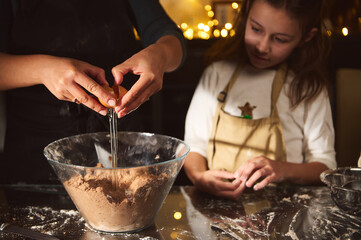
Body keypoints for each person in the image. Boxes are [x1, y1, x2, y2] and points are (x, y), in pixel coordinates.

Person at [0, 0, 186, 184]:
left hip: (123, 140)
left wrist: (160, 55)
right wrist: (42, 70)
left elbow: (169, 37)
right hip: (37, 153)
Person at [184, 0, 336, 200]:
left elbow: (325, 166)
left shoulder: (308, 88)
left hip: (284, 213)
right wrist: (199, 176)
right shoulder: (217, 73)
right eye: (256, 29)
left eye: (280, 39)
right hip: (217, 212)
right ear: (246, 13)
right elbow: (194, 146)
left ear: (306, 37)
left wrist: (282, 169)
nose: (262, 47)